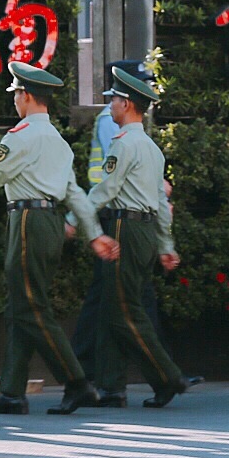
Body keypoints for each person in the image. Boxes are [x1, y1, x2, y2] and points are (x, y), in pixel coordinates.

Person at [0, 60, 118, 416]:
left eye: (16, 93)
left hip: (29, 221)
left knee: (30, 307)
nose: (15, 100)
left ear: (26, 96)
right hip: (50, 223)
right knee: (22, 305)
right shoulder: (58, 141)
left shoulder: (22, 136)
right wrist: (93, 234)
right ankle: (12, 392)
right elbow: (74, 193)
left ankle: (76, 383)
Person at [87, 65, 189, 408]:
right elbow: (160, 203)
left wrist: (76, 217)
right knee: (112, 309)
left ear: (127, 104)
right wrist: (165, 245)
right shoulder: (150, 148)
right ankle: (111, 387)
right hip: (142, 232)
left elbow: (106, 189)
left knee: (123, 311)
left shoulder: (123, 145)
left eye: (114, 100)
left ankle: (167, 376)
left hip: (124, 229)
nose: (110, 106)